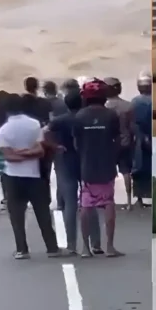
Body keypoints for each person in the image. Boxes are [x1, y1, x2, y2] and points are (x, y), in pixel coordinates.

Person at [0, 93, 63, 259]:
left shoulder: (4, 130)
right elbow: (40, 151)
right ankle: (52, 247)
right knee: (42, 213)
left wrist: (18, 154)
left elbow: (7, 156)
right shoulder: (34, 125)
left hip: (12, 176)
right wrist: (29, 153)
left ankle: (22, 249)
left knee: (17, 215)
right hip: (34, 175)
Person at [46, 91, 104, 256]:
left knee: (70, 204)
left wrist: (54, 146)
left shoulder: (60, 120)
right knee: (90, 202)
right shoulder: (85, 118)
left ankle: (71, 244)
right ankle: (96, 243)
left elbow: (44, 132)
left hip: (65, 161)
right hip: (86, 161)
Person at [74, 78, 123, 257]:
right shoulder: (111, 115)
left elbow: (76, 143)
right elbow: (117, 140)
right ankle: (110, 247)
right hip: (107, 165)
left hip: (87, 166)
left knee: (86, 206)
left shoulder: (79, 116)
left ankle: (85, 249)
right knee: (108, 203)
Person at [104, 77, 137, 210]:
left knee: (108, 173)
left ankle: (108, 200)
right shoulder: (128, 106)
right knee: (126, 172)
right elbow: (132, 127)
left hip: (108, 144)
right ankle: (129, 201)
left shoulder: (104, 107)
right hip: (125, 142)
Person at [130, 72, 153, 206]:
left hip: (139, 139)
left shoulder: (135, 101)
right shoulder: (152, 101)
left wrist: (142, 138)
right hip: (151, 137)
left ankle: (139, 198)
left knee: (139, 168)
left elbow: (134, 123)